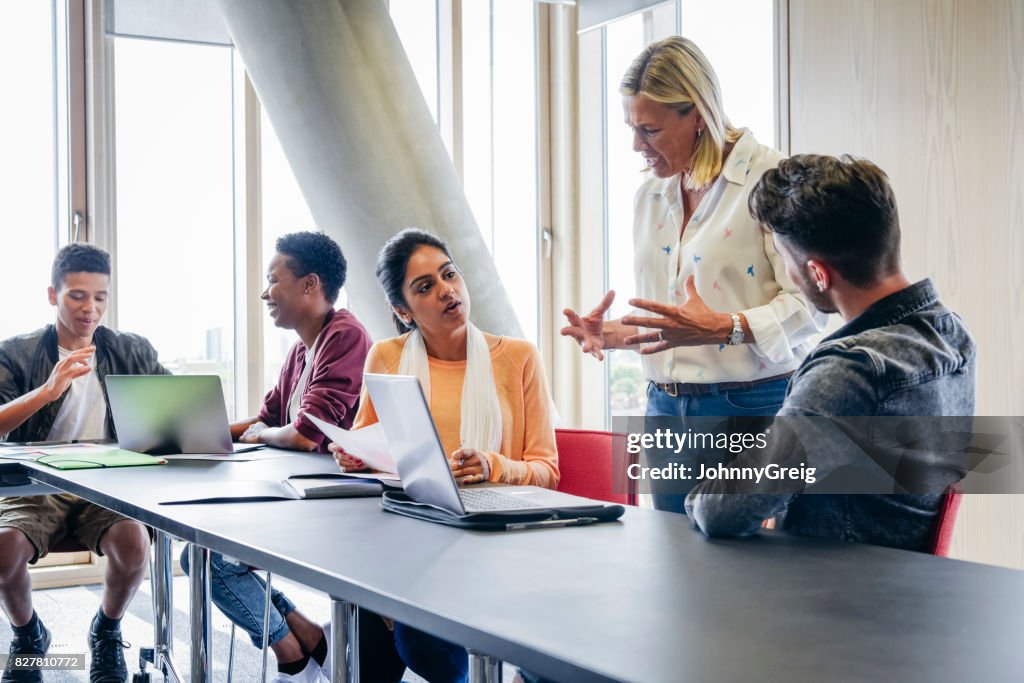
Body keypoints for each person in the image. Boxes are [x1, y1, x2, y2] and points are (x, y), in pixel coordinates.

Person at [561, 36, 826, 513]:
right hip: (664, 407)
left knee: (750, 576)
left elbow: (812, 305)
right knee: (675, 567)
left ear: (698, 116)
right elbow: (676, 322)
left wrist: (728, 327)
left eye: (650, 130)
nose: (636, 145)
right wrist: (617, 333)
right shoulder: (650, 194)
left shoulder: (773, 180)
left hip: (751, 407)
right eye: (631, 127)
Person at [684, 154, 976, 551]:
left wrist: (702, 497)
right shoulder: (952, 334)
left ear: (818, 273)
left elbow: (724, 511)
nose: (789, 274)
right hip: (909, 586)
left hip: (838, 597)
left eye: (786, 261)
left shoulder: (850, 371)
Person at [332, 228, 559, 682]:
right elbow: (365, 446)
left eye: (449, 275)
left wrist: (493, 465)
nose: (446, 291)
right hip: (410, 543)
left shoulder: (518, 357)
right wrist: (354, 457)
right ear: (403, 311)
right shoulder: (386, 357)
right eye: (425, 287)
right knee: (368, 628)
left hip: (496, 543)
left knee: (418, 638)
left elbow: (547, 471)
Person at [181, 231, 371, 683]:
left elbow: (306, 434)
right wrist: (187, 435)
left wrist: (263, 434)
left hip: (333, 504)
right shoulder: (300, 350)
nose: (266, 293)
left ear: (309, 285)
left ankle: (293, 657)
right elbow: (265, 421)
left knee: (210, 563)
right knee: (201, 558)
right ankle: (306, 642)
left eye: (273, 280)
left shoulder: (345, 336)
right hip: (292, 493)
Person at [0, 244, 166, 683]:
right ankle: (28, 636)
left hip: (106, 485)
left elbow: (176, 410)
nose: (90, 308)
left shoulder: (131, 351)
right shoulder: (16, 354)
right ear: (52, 295)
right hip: (35, 485)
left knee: (135, 545)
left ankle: (107, 632)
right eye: (77, 295)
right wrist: (47, 391)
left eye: (100, 297)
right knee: (1, 551)